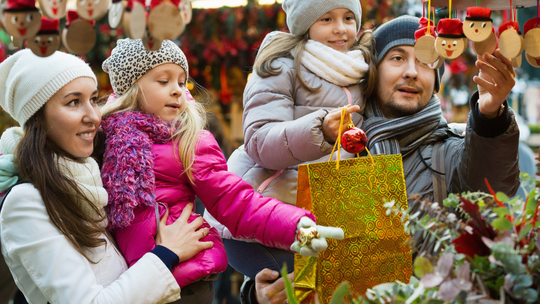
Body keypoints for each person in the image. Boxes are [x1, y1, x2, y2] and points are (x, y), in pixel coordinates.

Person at [250, 14, 521, 304]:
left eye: (425, 62)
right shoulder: (331, 148)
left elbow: (490, 189)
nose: (411, 72)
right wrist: (263, 294)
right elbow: (298, 249)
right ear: (373, 73)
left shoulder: (453, 150)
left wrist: (490, 117)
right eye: (397, 58)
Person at [98, 38, 344, 304]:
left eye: (181, 82)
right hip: (130, 281)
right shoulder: (105, 138)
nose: (178, 90)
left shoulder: (187, 141)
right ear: (131, 87)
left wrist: (295, 226)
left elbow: (235, 200)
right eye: (163, 81)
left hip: (182, 282)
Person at [0, 49, 213, 303]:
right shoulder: (26, 203)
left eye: (93, 99)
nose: (93, 116)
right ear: (38, 119)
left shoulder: (99, 178)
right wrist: (166, 254)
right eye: (73, 102)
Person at [203, 0, 376, 292]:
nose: (340, 28)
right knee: (318, 287)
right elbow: (259, 140)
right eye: (326, 19)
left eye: (348, 17)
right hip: (263, 218)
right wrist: (320, 130)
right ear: (305, 25)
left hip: (319, 214)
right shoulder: (282, 66)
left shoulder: (361, 70)